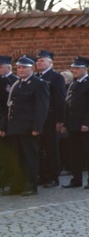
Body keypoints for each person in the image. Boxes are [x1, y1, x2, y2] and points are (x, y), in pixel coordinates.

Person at [0, 55, 50, 196]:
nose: (21, 70)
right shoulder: (17, 84)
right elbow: (8, 107)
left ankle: (30, 185)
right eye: (19, 68)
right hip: (14, 128)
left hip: (28, 128)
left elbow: (42, 107)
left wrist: (37, 127)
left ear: (32, 68)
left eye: (24, 68)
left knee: (29, 158)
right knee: (16, 159)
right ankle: (17, 186)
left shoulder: (39, 84)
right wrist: (3, 127)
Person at [61, 57, 89, 189]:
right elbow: (68, 105)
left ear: (86, 69)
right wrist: (65, 124)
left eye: (77, 68)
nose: (74, 70)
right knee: (74, 154)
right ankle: (76, 179)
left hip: (85, 125)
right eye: (73, 68)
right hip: (73, 125)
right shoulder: (73, 84)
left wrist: (88, 123)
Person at [35, 50, 66, 188]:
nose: (39, 63)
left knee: (51, 148)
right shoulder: (36, 77)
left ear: (50, 63)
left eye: (42, 60)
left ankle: (53, 177)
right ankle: (42, 175)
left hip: (51, 118)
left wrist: (59, 120)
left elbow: (60, 99)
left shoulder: (55, 77)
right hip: (38, 119)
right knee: (39, 148)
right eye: (37, 61)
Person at [0, 55, 18, 193]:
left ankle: (9, 178)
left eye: (1, 67)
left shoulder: (15, 81)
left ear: (8, 67)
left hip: (8, 121)